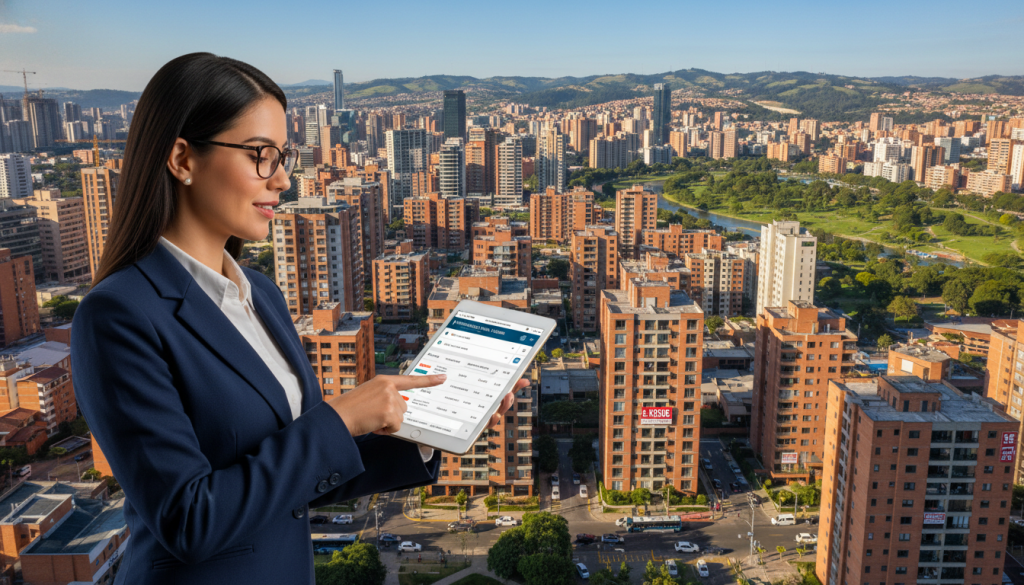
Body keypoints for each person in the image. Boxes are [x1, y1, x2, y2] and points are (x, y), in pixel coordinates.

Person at [70, 53, 523, 585]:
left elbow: (302, 474)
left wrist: (429, 429)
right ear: (183, 159)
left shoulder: (258, 294)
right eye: (261, 155)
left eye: (283, 156)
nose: (283, 179)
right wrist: (342, 418)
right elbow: (187, 519)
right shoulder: (118, 316)